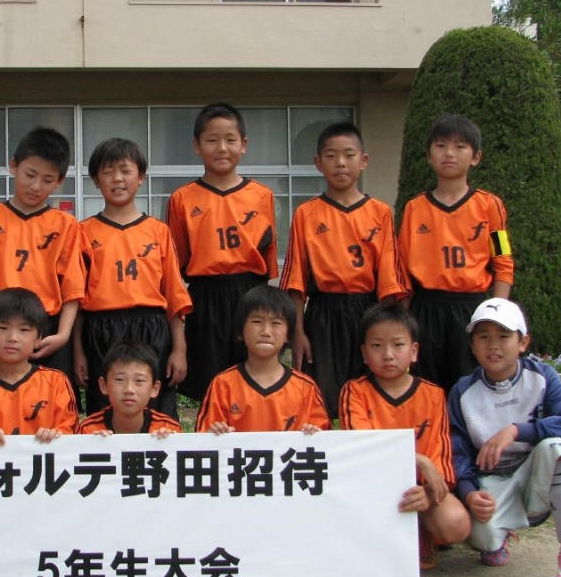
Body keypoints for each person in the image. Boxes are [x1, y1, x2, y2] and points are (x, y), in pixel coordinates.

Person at [449, 299, 561, 577]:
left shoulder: (542, 376)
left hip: (535, 472)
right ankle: (498, 537)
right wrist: (469, 492)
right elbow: (458, 450)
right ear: (472, 346)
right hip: (492, 479)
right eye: (483, 337)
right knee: (483, 538)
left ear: (522, 342)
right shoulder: (463, 390)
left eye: (503, 336)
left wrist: (516, 431)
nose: (493, 345)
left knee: (557, 448)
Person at [280, 122, 407, 418]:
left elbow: (389, 280)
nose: (340, 163)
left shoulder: (381, 213)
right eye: (331, 156)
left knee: (371, 397)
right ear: (318, 163)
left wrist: (390, 329)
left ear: (363, 161)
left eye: (349, 155)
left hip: (368, 311)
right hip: (324, 313)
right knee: (321, 399)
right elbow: (296, 281)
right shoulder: (306, 214)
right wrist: (298, 332)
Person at [339, 302, 471, 569]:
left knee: (456, 523)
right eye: (377, 346)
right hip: (372, 486)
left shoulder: (433, 395)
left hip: (418, 489)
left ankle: (422, 533)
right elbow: (363, 449)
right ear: (364, 353)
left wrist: (428, 492)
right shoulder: (354, 391)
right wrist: (418, 459)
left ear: (414, 351)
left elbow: (440, 454)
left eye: (398, 345)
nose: (388, 355)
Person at [166, 103, 277, 404]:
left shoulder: (262, 196)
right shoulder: (182, 199)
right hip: (205, 298)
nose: (222, 148)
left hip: (251, 294)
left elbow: (268, 260)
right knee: (211, 388)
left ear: (244, 144)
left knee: (255, 382)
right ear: (196, 145)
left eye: (230, 139)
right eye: (212, 140)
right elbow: (176, 264)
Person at [74, 138, 192, 419]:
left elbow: (174, 296)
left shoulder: (158, 231)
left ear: (140, 177)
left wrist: (179, 348)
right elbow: (76, 298)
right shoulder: (82, 232)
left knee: (156, 412)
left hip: (151, 328)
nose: (117, 178)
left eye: (125, 170)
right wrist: (78, 351)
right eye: (108, 171)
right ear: (96, 180)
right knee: (106, 412)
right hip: (102, 330)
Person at [398, 113, 513, 391]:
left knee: (471, 385)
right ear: (429, 155)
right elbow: (401, 269)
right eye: (441, 146)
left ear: (476, 157)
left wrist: (496, 314)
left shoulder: (490, 206)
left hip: (470, 308)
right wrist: (404, 320)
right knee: (427, 387)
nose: (449, 153)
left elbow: (503, 260)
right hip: (426, 309)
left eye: (460, 146)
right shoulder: (415, 209)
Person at [0, 127, 84, 386]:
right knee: (4, 396)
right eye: (29, 175)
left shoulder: (65, 224)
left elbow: (73, 288)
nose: (35, 186)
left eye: (47, 179)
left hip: (49, 331)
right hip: (2, 325)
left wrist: (63, 334)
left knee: (54, 399)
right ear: (13, 166)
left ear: (59, 181)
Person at [196, 285, 329, 434]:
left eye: (276, 323)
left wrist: (314, 433)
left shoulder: (305, 388)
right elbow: (202, 439)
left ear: (288, 335)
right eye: (257, 321)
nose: (266, 332)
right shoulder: (223, 385)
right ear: (240, 332)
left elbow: (326, 439)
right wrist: (214, 433)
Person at [0, 288, 78, 445]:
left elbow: (69, 432)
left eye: (24, 330)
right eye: (3, 328)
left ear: (38, 338)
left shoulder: (56, 382)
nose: (12, 338)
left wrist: (55, 435)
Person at [76, 341, 182, 436]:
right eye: (119, 379)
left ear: (154, 388)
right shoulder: (88, 430)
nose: (129, 389)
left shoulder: (169, 429)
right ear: (104, 385)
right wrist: (94, 445)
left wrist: (166, 443)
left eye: (139, 380)